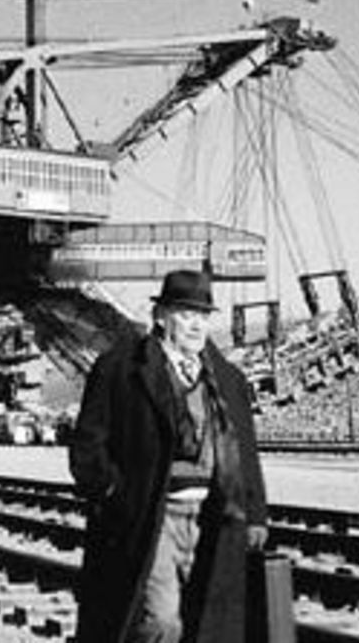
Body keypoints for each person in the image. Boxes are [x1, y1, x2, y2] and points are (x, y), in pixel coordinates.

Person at [69, 269, 268, 643]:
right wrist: (113, 493)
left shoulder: (228, 380)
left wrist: (255, 513)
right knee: (160, 623)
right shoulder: (119, 370)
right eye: (186, 314)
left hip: (214, 517)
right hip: (150, 516)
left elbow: (245, 452)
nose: (197, 325)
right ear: (160, 316)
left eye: (203, 316)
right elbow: (87, 445)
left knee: (205, 624)